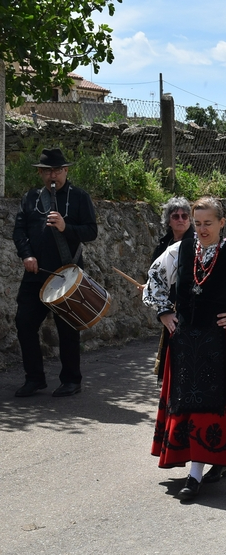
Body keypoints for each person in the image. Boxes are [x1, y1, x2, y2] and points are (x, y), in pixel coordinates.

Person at [143, 196, 226, 500]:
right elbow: (153, 278)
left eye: (208, 223)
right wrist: (165, 311)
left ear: (222, 222)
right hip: (185, 339)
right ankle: (210, 462)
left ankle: (195, 476)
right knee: (188, 403)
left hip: (219, 341)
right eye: (198, 222)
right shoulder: (179, 250)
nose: (202, 229)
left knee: (213, 404)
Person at [13, 148, 98, 398]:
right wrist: (27, 255)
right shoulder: (30, 198)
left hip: (67, 276)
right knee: (24, 323)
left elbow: (91, 232)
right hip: (35, 275)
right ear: (40, 173)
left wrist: (65, 226)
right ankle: (35, 379)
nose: (54, 175)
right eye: (48, 170)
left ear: (66, 171)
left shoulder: (80, 198)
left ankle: (71, 380)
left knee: (68, 328)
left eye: (58, 170)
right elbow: (19, 232)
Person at [149, 197, 196, 377]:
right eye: (175, 216)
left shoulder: (196, 243)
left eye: (185, 216)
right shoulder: (164, 243)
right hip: (169, 308)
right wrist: (150, 287)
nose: (181, 219)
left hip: (189, 307)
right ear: (168, 220)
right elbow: (154, 272)